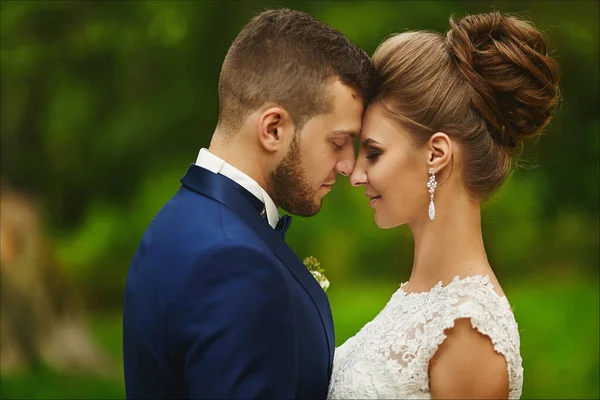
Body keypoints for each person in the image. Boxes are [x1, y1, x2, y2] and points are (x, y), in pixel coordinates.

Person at [122, 7, 375, 399]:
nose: (347, 165)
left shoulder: (177, 221)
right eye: (338, 142)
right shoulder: (233, 262)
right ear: (273, 129)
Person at [328, 11, 560, 399]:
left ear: (436, 153)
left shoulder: (468, 327)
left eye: (374, 153)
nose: (355, 175)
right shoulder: (417, 297)